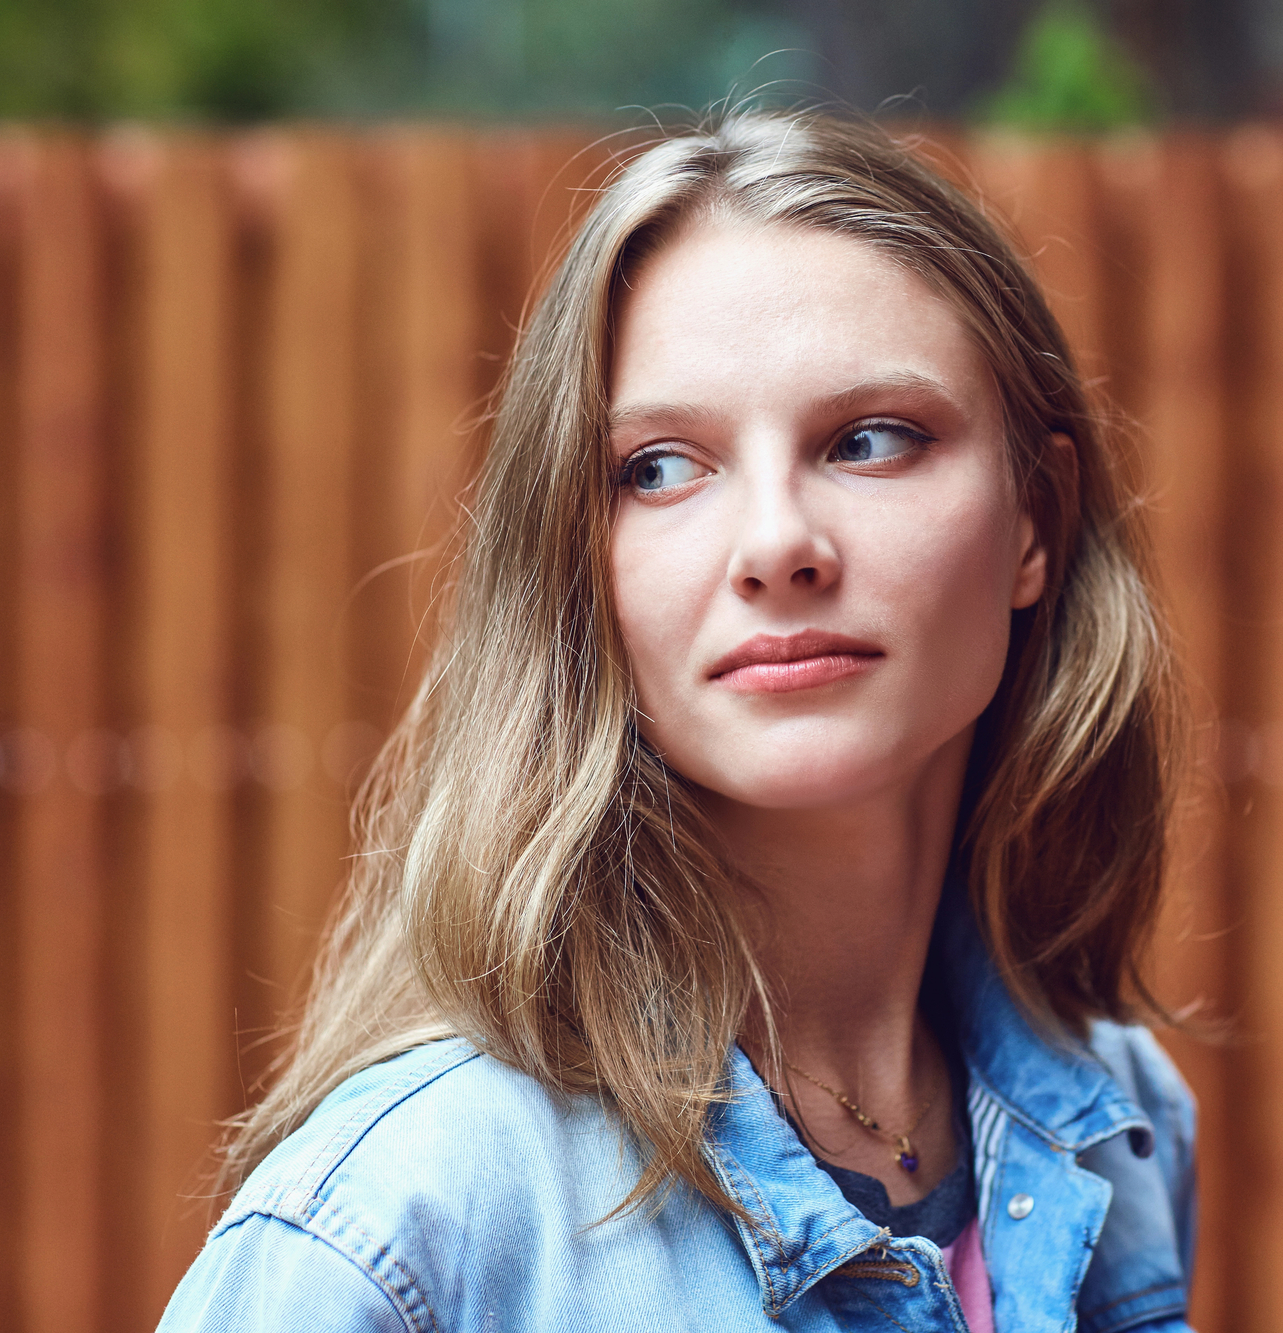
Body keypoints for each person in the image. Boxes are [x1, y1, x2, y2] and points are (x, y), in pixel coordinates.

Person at [159, 108, 1197, 1333]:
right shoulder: (405, 1221)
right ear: (580, 561)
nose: (775, 546)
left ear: (1034, 519)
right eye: (658, 467)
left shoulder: (1115, 1117)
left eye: (868, 441)